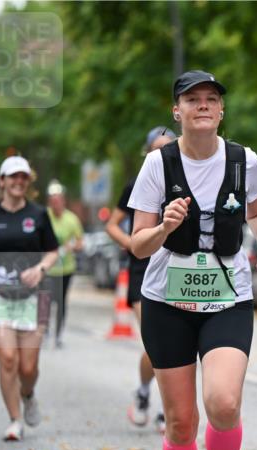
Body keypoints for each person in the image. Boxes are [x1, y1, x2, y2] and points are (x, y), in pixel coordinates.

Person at [129, 71, 257, 450]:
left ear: (221, 111)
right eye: (192, 99)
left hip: (228, 298)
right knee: (180, 423)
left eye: (211, 99)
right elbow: (137, 244)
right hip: (166, 303)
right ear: (176, 111)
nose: (202, 105)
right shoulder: (158, 165)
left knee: (223, 403)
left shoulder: (244, 160)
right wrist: (165, 227)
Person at [0, 157, 59, 441]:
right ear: (1, 181)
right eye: (13, 177)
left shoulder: (39, 215)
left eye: (24, 177)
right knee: (7, 358)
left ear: (28, 182)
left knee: (28, 367)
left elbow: (53, 250)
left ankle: (27, 394)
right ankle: (15, 420)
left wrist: (40, 268)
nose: (19, 182)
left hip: (34, 296)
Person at [105, 126, 175, 430]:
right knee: (157, 341)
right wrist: (133, 243)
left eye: (168, 148)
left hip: (177, 269)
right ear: (147, 152)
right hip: (142, 267)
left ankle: (166, 408)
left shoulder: (186, 181)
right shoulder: (137, 183)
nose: (162, 154)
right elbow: (112, 225)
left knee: (177, 344)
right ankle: (146, 392)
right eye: (157, 149)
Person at [45, 180, 84, 348]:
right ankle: (45, 330)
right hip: (47, 268)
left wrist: (71, 246)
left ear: (63, 201)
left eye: (58, 200)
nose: (56, 204)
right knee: (46, 301)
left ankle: (58, 333)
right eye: (52, 201)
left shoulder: (71, 219)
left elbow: (81, 243)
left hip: (65, 268)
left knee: (60, 302)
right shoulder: (44, 217)